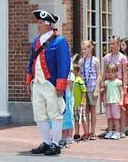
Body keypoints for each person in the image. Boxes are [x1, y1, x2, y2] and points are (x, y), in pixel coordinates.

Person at [26, 10, 71, 156]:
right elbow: (32, 61)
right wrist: (29, 79)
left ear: (48, 25)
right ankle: (46, 142)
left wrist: (60, 85)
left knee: (55, 114)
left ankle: (55, 143)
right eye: (38, 22)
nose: (38, 25)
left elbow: (64, 64)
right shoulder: (36, 41)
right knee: (39, 114)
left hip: (51, 84)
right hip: (38, 83)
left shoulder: (60, 41)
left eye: (40, 23)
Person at [101, 36, 128, 138]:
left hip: (118, 84)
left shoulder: (122, 57)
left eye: (113, 44)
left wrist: (124, 86)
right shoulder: (106, 57)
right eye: (110, 44)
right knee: (110, 109)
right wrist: (102, 84)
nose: (111, 46)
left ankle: (121, 129)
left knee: (120, 108)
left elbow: (125, 72)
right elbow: (104, 72)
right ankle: (111, 129)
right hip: (109, 84)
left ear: (118, 44)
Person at [79, 40, 100, 140]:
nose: (84, 51)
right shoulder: (81, 61)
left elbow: (99, 75)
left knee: (93, 109)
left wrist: (97, 88)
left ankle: (93, 131)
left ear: (91, 48)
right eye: (82, 49)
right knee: (85, 110)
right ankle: (86, 131)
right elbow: (79, 75)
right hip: (84, 88)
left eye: (85, 48)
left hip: (92, 86)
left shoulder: (95, 60)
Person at [103, 64, 123, 140]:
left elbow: (121, 92)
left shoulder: (118, 82)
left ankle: (117, 132)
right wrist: (105, 100)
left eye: (112, 72)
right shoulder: (106, 82)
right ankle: (110, 131)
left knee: (116, 118)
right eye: (108, 72)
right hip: (108, 102)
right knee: (109, 118)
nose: (110, 74)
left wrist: (121, 101)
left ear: (116, 73)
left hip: (116, 102)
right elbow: (105, 92)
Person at [73, 63, 88, 141]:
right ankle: (77, 133)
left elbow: (84, 91)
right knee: (76, 119)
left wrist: (82, 100)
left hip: (80, 103)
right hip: (74, 104)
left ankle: (86, 133)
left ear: (76, 71)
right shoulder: (72, 80)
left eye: (72, 70)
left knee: (82, 118)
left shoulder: (79, 80)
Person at [61, 64, 75, 147]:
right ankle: (63, 137)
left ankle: (69, 136)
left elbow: (70, 89)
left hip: (68, 98)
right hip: (63, 97)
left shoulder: (71, 76)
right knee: (63, 117)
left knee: (68, 116)